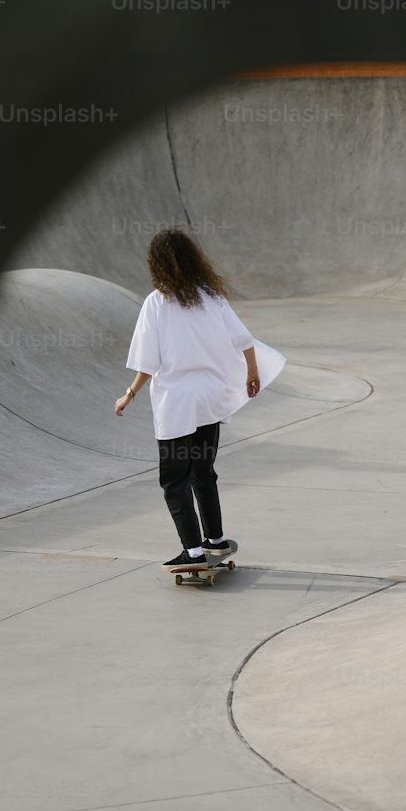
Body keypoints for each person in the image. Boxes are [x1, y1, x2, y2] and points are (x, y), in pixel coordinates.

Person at [115, 227, 286, 569]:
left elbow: (148, 363)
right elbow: (245, 341)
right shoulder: (211, 296)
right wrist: (252, 374)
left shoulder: (156, 303)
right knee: (203, 472)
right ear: (193, 260)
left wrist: (129, 394)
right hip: (211, 401)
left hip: (177, 406)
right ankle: (216, 541)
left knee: (174, 481)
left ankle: (193, 552)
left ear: (157, 265)